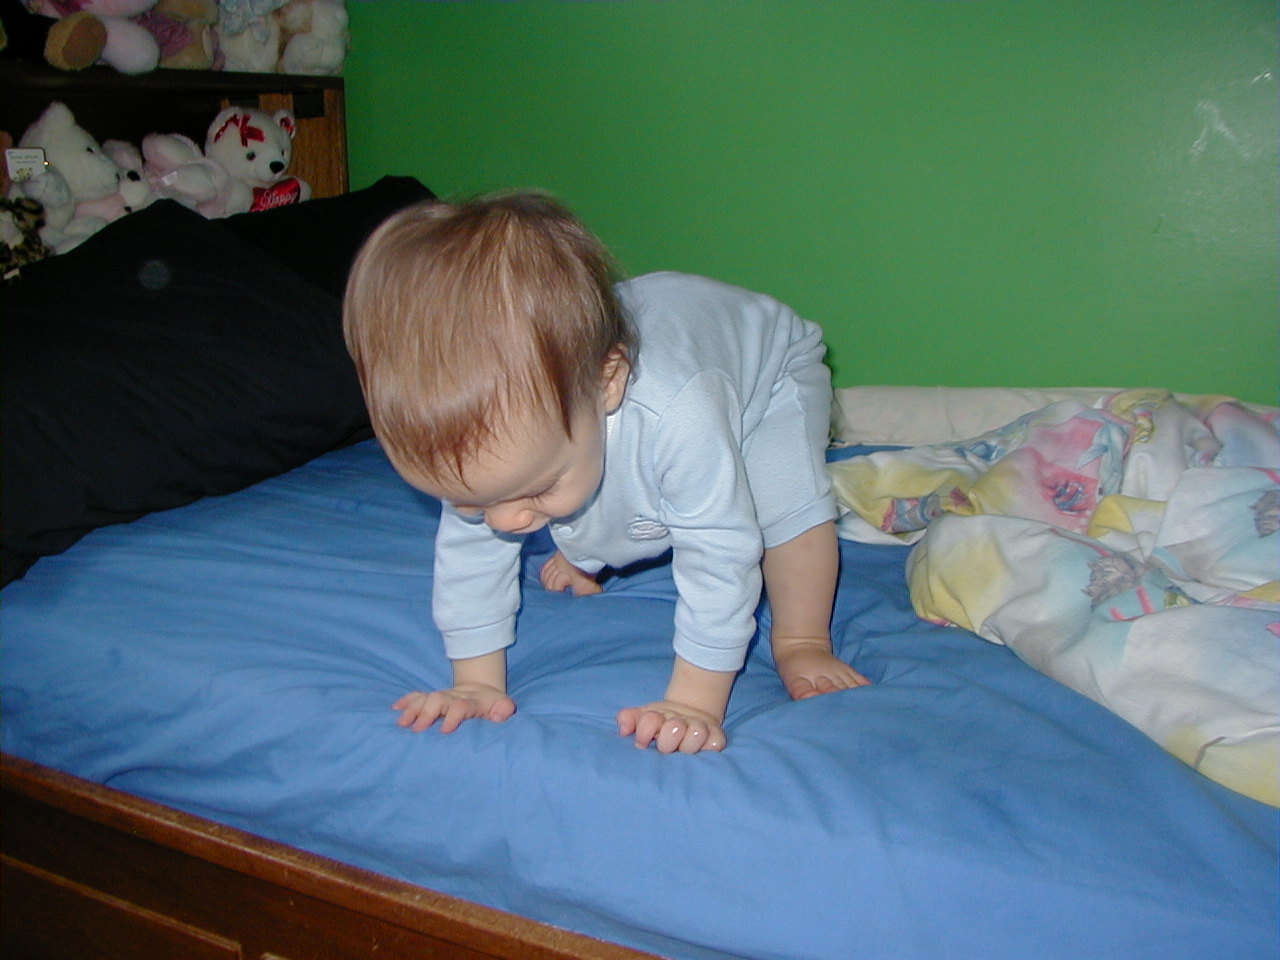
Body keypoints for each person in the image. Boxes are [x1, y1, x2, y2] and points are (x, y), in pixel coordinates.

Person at [342, 192, 869, 754]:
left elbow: (720, 554)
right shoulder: (484, 457)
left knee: (785, 506)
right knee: (572, 475)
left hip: (769, 367)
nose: (501, 521)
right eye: (474, 503)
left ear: (609, 381)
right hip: (635, 361)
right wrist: (475, 684)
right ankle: (575, 530)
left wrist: (695, 701)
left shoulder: (679, 412)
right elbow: (470, 558)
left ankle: (804, 640)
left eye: (535, 489)